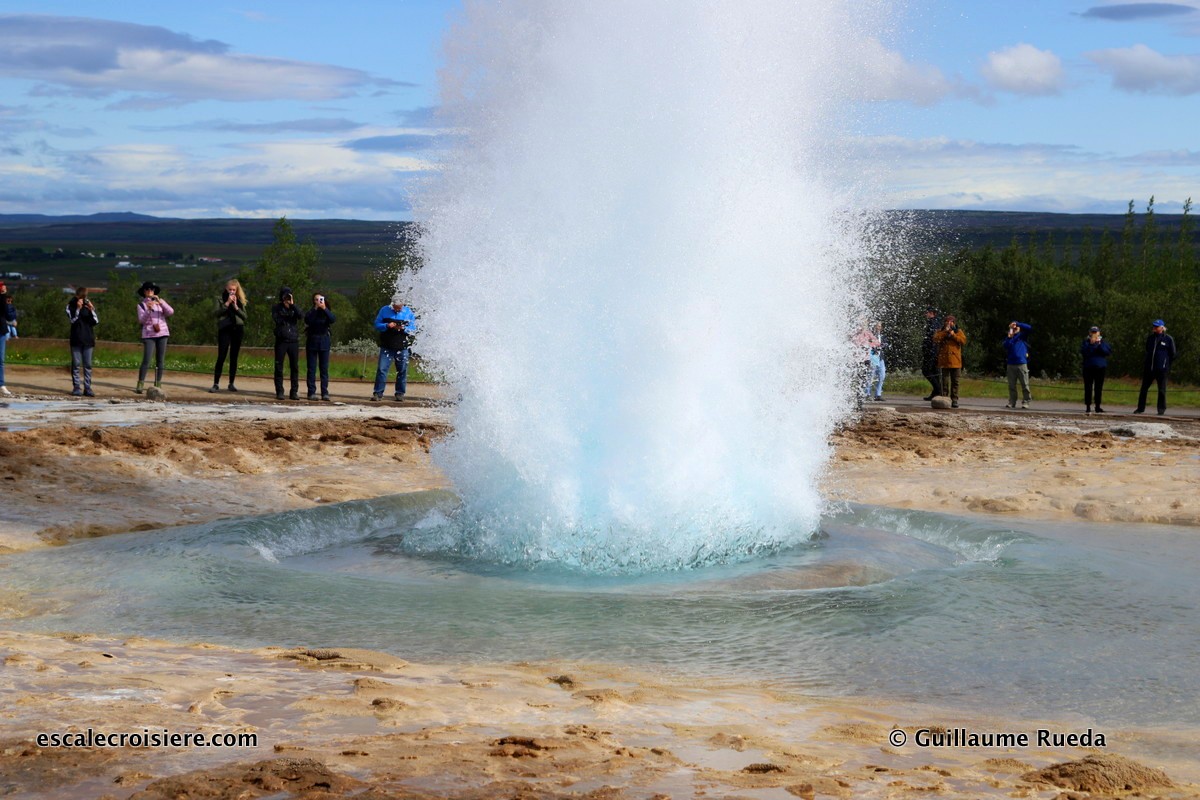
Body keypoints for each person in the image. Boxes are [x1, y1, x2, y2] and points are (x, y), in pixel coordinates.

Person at [371, 292, 418, 402]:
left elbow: (413, 328)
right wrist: (386, 325)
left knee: (402, 371)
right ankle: (378, 393)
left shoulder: (408, 312)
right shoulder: (384, 310)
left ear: (403, 305)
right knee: (382, 369)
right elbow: (377, 324)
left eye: (399, 308)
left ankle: (400, 393)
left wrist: (404, 329)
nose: (397, 310)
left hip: (402, 346)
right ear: (392, 304)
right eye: (396, 308)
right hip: (387, 345)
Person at [135, 281, 173, 394]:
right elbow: (142, 320)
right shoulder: (141, 305)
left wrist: (160, 302)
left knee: (160, 360)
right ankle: (140, 383)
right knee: (147, 359)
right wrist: (148, 309)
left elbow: (170, 312)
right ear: (144, 292)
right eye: (147, 289)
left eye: (151, 289)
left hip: (162, 333)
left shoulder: (160, 302)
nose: (149, 291)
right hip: (149, 335)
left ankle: (158, 383)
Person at [211, 279, 248, 392]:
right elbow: (216, 313)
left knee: (234, 357)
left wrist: (236, 307)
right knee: (221, 356)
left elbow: (245, 316)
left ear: (236, 290)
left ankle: (231, 383)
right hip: (225, 329)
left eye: (234, 290)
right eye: (230, 289)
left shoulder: (240, 301)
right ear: (226, 289)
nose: (231, 291)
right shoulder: (219, 298)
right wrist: (227, 303)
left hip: (237, 329)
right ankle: (216, 383)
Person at [1134, 319, 1177, 415]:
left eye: (1156, 326)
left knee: (1161, 390)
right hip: (1149, 368)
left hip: (1162, 369)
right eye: (1154, 326)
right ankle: (1140, 408)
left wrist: (1165, 364)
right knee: (1144, 389)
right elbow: (1147, 350)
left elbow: (1173, 354)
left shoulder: (1168, 339)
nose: (1154, 328)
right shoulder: (1150, 338)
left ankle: (1161, 410)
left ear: (1162, 328)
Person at [271, 286, 303, 400]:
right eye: (285, 295)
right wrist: (284, 308)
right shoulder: (276, 308)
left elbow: (300, 316)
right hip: (281, 340)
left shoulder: (294, 308)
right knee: (279, 366)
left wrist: (292, 305)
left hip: (293, 340)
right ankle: (279, 391)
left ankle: (294, 391)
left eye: (289, 295)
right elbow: (277, 320)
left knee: (294, 367)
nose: (286, 298)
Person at [67, 287, 99, 397]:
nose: (83, 299)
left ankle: (87, 387)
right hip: (76, 339)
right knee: (76, 364)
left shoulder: (88, 307)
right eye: (81, 297)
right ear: (77, 296)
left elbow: (95, 321)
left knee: (88, 365)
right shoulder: (70, 305)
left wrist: (91, 309)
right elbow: (72, 320)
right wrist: (78, 309)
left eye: (85, 297)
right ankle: (76, 386)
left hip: (88, 339)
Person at [304, 292, 336, 401]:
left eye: (320, 299)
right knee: (311, 369)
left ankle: (324, 392)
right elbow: (307, 320)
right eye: (316, 299)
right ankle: (311, 392)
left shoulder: (326, 311)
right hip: (312, 341)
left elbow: (332, 319)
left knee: (324, 369)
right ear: (313, 301)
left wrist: (324, 308)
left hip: (324, 341)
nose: (319, 301)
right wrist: (315, 308)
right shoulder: (312, 312)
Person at [932, 314, 967, 408]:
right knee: (945, 382)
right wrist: (945, 332)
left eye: (951, 321)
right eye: (947, 321)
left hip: (956, 361)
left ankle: (954, 400)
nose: (949, 323)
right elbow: (935, 339)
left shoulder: (958, 331)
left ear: (954, 323)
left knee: (955, 382)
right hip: (944, 362)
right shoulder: (940, 331)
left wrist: (953, 334)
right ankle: (945, 399)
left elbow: (963, 341)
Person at [1081, 326, 1112, 414]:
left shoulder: (1103, 342)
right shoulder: (1086, 342)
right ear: (1089, 333)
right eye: (1092, 332)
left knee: (1098, 388)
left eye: (1096, 332)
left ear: (1099, 333)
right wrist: (1091, 344)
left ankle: (1098, 406)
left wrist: (1098, 345)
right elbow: (1084, 353)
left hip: (1100, 368)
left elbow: (1107, 352)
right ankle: (1088, 406)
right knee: (1088, 387)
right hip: (1088, 368)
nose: (1094, 334)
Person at [1002, 320, 1032, 410]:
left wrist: (1018, 324)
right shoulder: (1009, 338)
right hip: (1011, 364)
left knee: (1025, 385)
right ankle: (1012, 401)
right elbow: (1006, 345)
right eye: (1013, 328)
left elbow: (1029, 328)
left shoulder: (1022, 336)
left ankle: (1026, 402)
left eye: (1016, 328)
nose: (1015, 329)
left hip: (1022, 363)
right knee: (1011, 385)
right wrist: (1010, 335)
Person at [921, 306, 941, 400]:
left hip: (931, 351)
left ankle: (938, 390)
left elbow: (933, 339)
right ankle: (936, 392)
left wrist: (929, 350)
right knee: (934, 372)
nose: (926, 314)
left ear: (931, 313)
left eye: (927, 312)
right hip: (933, 351)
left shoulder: (933, 323)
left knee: (926, 371)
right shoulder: (935, 322)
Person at [0, 281, 15, 397]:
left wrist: (5, 298)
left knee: (0, 359)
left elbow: (10, 316)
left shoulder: (4, 300)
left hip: (1, 331)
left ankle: (1, 384)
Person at [867, 321, 886, 401]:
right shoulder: (870, 335)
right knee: (870, 376)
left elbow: (886, 344)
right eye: (876, 326)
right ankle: (867, 394)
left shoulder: (882, 336)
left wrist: (884, 345)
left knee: (882, 376)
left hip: (880, 358)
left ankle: (878, 394)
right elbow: (868, 343)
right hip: (873, 357)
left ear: (881, 327)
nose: (878, 327)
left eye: (879, 326)